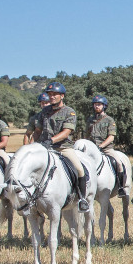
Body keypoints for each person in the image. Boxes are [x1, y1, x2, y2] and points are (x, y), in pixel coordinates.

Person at [36, 82, 91, 212]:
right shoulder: (44, 112)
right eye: (50, 94)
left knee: (79, 169)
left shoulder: (69, 112)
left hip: (63, 147)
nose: (52, 96)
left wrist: (51, 140)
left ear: (62, 96)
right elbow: (38, 131)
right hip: (44, 148)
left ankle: (82, 199)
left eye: (55, 94)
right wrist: (33, 145)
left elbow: (66, 132)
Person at [80, 95, 131, 198]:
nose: (97, 106)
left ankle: (121, 187)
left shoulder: (109, 120)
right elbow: (86, 136)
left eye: (99, 104)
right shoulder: (90, 120)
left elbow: (111, 137)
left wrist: (101, 146)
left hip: (106, 149)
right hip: (92, 149)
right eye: (95, 104)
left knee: (118, 163)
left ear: (104, 106)